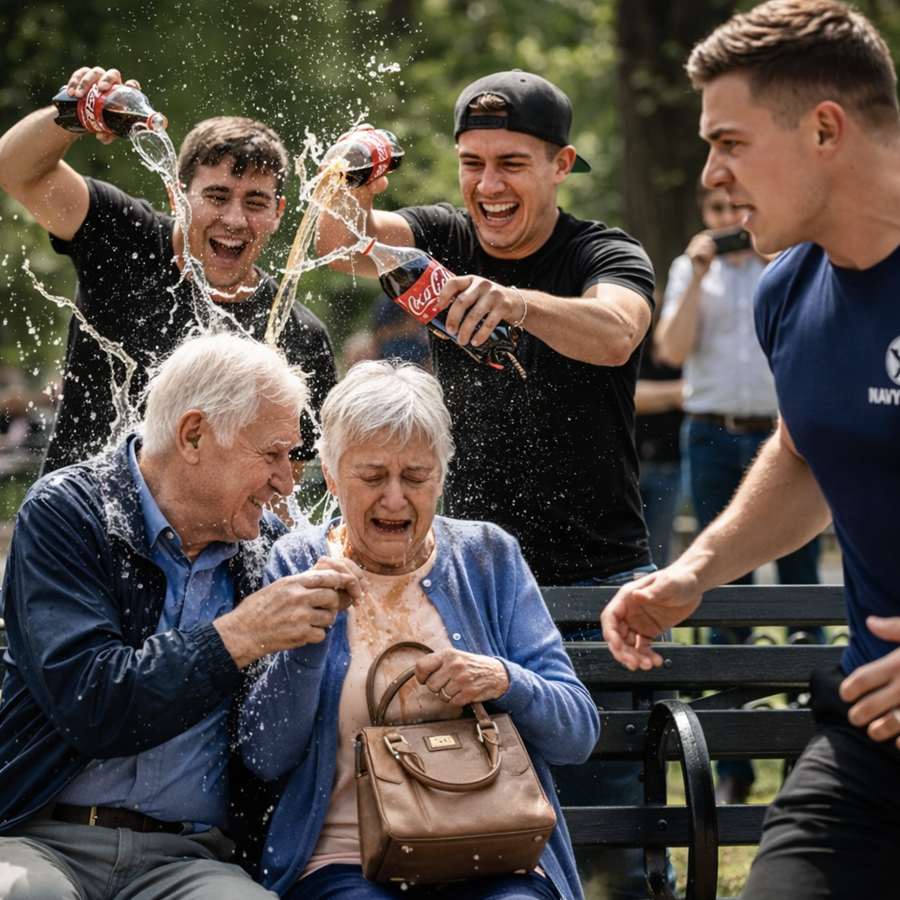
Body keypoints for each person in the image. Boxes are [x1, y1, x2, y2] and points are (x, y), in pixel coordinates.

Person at [315, 71, 658, 898]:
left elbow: (616, 332)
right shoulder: (441, 236)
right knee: (470, 807)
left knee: (612, 835)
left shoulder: (602, 253)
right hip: (471, 589)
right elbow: (333, 233)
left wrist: (515, 302)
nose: (488, 185)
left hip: (593, 582)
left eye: (512, 162)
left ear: (561, 163)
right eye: (472, 162)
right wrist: (351, 165)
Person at [601, 2, 900, 896]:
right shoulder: (786, 291)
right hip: (870, 740)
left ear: (823, 129)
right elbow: (806, 454)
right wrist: (695, 572)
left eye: (728, 141)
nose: (713, 175)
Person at [0, 333, 364, 900]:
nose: (287, 482)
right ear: (194, 435)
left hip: (191, 858)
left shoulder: (268, 551)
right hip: (42, 837)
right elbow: (94, 702)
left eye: (291, 457)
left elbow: (273, 748)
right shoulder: (67, 513)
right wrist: (240, 635)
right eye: (270, 454)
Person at [236, 359, 600, 900]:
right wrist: (308, 641)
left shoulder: (487, 556)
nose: (394, 498)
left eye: (415, 476)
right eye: (372, 475)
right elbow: (264, 755)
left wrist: (503, 679)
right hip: (345, 859)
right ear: (332, 477)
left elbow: (578, 733)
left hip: (493, 851)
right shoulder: (298, 561)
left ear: (441, 477)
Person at [0, 65, 337, 479]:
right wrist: (77, 113)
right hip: (76, 528)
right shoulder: (123, 237)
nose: (234, 219)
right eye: (216, 196)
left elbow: (281, 492)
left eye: (255, 202)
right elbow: (15, 171)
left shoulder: (299, 336)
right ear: (176, 194)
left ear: (278, 212)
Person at [655, 181, 822, 804]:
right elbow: (671, 351)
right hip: (714, 437)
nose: (728, 221)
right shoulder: (688, 269)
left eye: (737, 210)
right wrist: (698, 276)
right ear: (705, 216)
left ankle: (810, 761)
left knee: (806, 597)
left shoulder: (791, 259)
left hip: (788, 437)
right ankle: (733, 770)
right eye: (717, 212)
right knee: (726, 604)